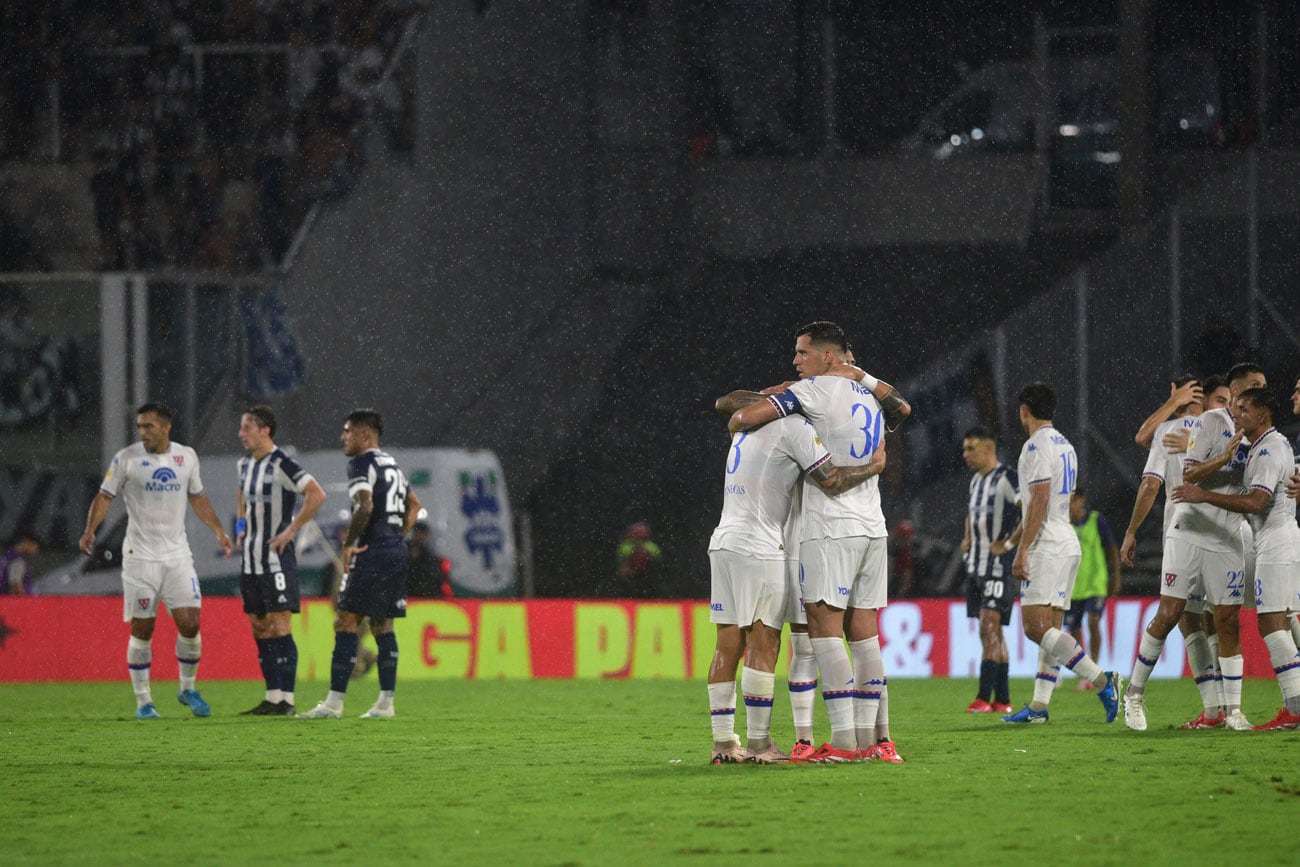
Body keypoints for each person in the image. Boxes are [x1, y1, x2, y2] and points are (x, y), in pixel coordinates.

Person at [728, 320, 912, 762]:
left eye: (802, 353)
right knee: (865, 638)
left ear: (827, 357)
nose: (796, 360)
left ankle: (845, 742)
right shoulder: (869, 392)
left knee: (824, 634)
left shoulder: (810, 393)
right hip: (872, 527)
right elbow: (903, 409)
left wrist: (780, 396)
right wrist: (859, 377)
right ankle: (877, 742)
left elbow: (742, 417)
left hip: (829, 530)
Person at [706, 409, 885, 764]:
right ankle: (759, 745)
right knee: (764, 641)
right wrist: (873, 466)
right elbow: (830, 479)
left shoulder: (745, 425)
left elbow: (727, 407)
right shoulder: (795, 427)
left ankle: (724, 744)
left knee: (727, 645)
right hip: (759, 545)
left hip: (723, 541)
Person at [1122, 362, 1266, 732]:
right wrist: (1219, 455)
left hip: (1228, 536)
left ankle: (1228, 711)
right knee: (1172, 614)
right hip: (1186, 531)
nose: (1256, 395)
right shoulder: (1206, 424)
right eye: (1251, 389)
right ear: (1234, 394)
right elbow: (1186, 471)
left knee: (1225, 622)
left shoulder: (1263, 435)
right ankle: (1134, 694)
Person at [78, 402, 233, 719]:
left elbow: (197, 497)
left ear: (166, 427)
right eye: (140, 427)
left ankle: (187, 688)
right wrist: (90, 530)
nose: (143, 432)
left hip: (177, 555)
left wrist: (218, 529)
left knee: (190, 624)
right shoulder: (127, 459)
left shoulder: (186, 457)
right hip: (140, 558)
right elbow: (105, 495)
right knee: (142, 630)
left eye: (149, 426)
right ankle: (143, 702)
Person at [1174, 386, 1300, 730]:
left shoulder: (1268, 451)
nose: (1236, 413)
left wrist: (1202, 495)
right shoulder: (1270, 444)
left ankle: (1295, 708)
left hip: (1276, 540)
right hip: (1280, 539)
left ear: (1261, 415)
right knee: (1283, 621)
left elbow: (1256, 503)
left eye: (1243, 408)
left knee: (1272, 623)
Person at [1000, 382, 1122, 724]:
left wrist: (1022, 549)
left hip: (1047, 544)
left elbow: (1038, 499)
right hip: (1066, 541)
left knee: (1035, 627)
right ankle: (1039, 708)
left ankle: (1101, 679)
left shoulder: (1035, 446)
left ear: (1024, 410)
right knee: (1051, 631)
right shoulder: (1066, 445)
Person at [1119, 375, 1226, 728]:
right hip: (1224, 533)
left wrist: (1131, 531)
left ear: (1177, 393)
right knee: (1214, 619)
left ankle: (1134, 693)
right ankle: (1219, 709)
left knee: (1174, 615)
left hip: (1182, 533)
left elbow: (1150, 483)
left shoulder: (1172, 428)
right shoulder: (1224, 428)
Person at [300, 409, 421, 719]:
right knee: (383, 625)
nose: (343, 437)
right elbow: (415, 506)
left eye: (347, 431)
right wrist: (396, 536)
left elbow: (365, 506)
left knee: (346, 620)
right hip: (395, 552)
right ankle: (385, 704)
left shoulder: (361, 463)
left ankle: (333, 704)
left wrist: (350, 543)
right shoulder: (391, 464)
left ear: (364, 435)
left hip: (372, 551)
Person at [235, 404, 327, 716]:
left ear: (265, 430)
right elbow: (241, 496)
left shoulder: (282, 464)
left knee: (280, 625)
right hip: (250, 559)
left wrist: (291, 530)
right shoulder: (245, 466)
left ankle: (287, 700)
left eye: (247, 428)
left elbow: (316, 494)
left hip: (276, 559)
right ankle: (272, 697)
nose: (241, 434)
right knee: (259, 626)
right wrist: (239, 527)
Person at [959, 426, 1018, 714]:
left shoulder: (1006, 478)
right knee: (993, 631)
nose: (965, 454)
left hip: (998, 568)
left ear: (989, 448)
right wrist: (968, 536)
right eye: (965, 448)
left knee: (988, 626)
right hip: (976, 566)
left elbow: (1029, 511)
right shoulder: (975, 482)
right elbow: (972, 513)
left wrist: (1008, 546)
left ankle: (983, 697)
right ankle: (1003, 700)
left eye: (971, 448)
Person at [1064, 489, 1121, 676]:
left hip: (1095, 583)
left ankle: (1094, 667)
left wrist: (1116, 576)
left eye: (1072, 501)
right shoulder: (1063, 525)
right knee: (1073, 628)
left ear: (1081, 500)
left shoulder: (1096, 520)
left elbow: (1112, 548)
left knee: (1093, 622)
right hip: (1072, 586)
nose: (1069, 506)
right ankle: (1084, 667)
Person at [406, 521, 451, 598]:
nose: (419, 537)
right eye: (418, 533)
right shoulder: (402, 551)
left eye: (422, 534)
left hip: (421, 597)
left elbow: (432, 580)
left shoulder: (429, 557)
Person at [615, 521, 662, 595]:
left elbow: (659, 565)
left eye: (642, 539)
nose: (639, 541)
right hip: (630, 578)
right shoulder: (626, 547)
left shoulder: (651, 547)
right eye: (637, 538)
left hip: (648, 578)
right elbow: (621, 566)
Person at [2, 527, 39, 595]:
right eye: (35, 547)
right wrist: (25, 601)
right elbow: (15, 584)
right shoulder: (17, 559)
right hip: (13, 602)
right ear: (26, 541)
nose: (35, 551)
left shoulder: (8, 555)